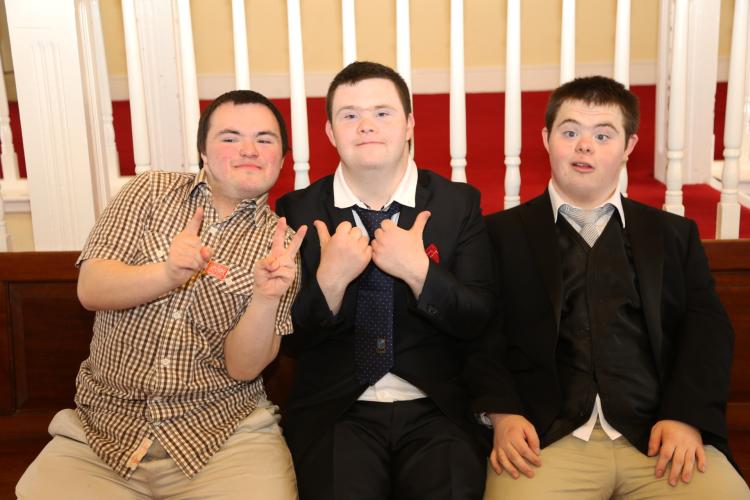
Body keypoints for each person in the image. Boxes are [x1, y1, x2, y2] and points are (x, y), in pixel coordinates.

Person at [466, 75, 750, 499]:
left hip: (658, 435)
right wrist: (503, 413)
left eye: (603, 135)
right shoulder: (499, 235)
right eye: (570, 132)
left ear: (629, 146)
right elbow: (479, 332)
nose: (585, 146)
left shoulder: (673, 235)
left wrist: (685, 417)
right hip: (546, 440)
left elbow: (707, 332)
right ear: (546, 139)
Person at [16, 90, 307, 499]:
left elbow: (243, 369)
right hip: (101, 433)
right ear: (203, 152)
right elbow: (91, 288)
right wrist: (167, 274)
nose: (249, 149)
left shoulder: (281, 245)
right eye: (230, 137)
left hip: (222, 438)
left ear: (281, 158)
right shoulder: (150, 192)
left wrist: (264, 296)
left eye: (264, 139)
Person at [276, 61, 495, 500]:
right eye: (350, 115)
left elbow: (478, 319)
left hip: (436, 408)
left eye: (382, 112)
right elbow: (288, 341)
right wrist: (329, 283)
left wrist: (419, 273)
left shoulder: (457, 204)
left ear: (410, 124)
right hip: (337, 411)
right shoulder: (298, 211)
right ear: (330, 132)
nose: (366, 126)